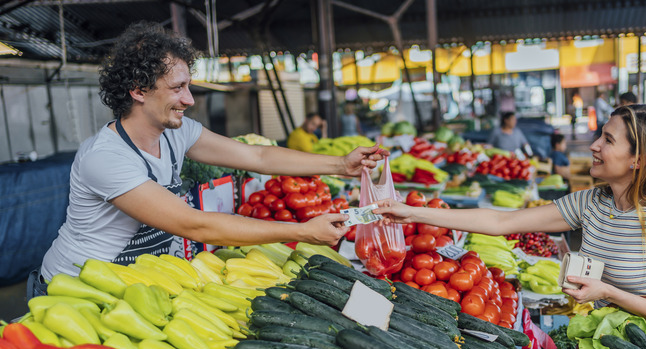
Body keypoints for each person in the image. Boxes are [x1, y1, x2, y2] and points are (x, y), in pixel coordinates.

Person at [30, 22, 387, 298]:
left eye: (189, 86)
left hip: (131, 281)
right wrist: (302, 232)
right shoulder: (106, 158)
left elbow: (257, 156)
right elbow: (193, 225)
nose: (190, 99)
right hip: (74, 287)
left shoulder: (176, 132)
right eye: (177, 88)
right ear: (138, 90)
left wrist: (340, 165)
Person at [375, 104, 646, 349]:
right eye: (600, 136)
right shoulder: (591, 202)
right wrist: (415, 214)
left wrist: (609, 292)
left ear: (638, 160)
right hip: (613, 342)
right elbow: (501, 221)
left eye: (608, 140)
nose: (594, 145)